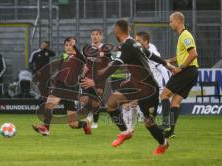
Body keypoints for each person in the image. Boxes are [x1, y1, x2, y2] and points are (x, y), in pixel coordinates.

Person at [97, 20, 175, 155]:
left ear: (117, 31)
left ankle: (163, 144)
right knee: (111, 103)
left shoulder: (128, 45)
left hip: (149, 89)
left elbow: (117, 64)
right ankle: (125, 132)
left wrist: (100, 77)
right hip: (135, 86)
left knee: (149, 123)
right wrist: (167, 64)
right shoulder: (135, 43)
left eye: (115, 31)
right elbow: (150, 55)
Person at [32, 37, 91, 136]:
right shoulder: (64, 57)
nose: (68, 47)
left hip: (71, 89)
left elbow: (83, 60)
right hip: (60, 86)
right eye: (66, 45)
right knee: (49, 104)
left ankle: (85, 124)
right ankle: (46, 128)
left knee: (73, 124)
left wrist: (74, 47)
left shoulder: (79, 57)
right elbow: (60, 72)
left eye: (71, 45)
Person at [160, 12, 199, 138]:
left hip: (187, 71)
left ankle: (165, 123)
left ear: (177, 21)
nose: (170, 24)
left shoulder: (185, 35)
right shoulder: (182, 36)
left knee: (164, 94)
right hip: (192, 72)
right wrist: (169, 61)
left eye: (171, 21)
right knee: (175, 103)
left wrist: (180, 68)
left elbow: (193, 54)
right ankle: (170, 132)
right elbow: (183, 55)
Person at [82, 29, 111, 129]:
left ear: (101, 36)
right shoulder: (87, 48)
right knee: (86, 99)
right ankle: (90, 115)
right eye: (93, 34)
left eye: (97, 34)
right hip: (88, 77)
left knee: (96, 98)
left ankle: (94, 121)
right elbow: (84, 60)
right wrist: (84, 66)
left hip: (99, 79)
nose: (95, 36)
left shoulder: (105, 49)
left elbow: (110, 63)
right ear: (91, 36)